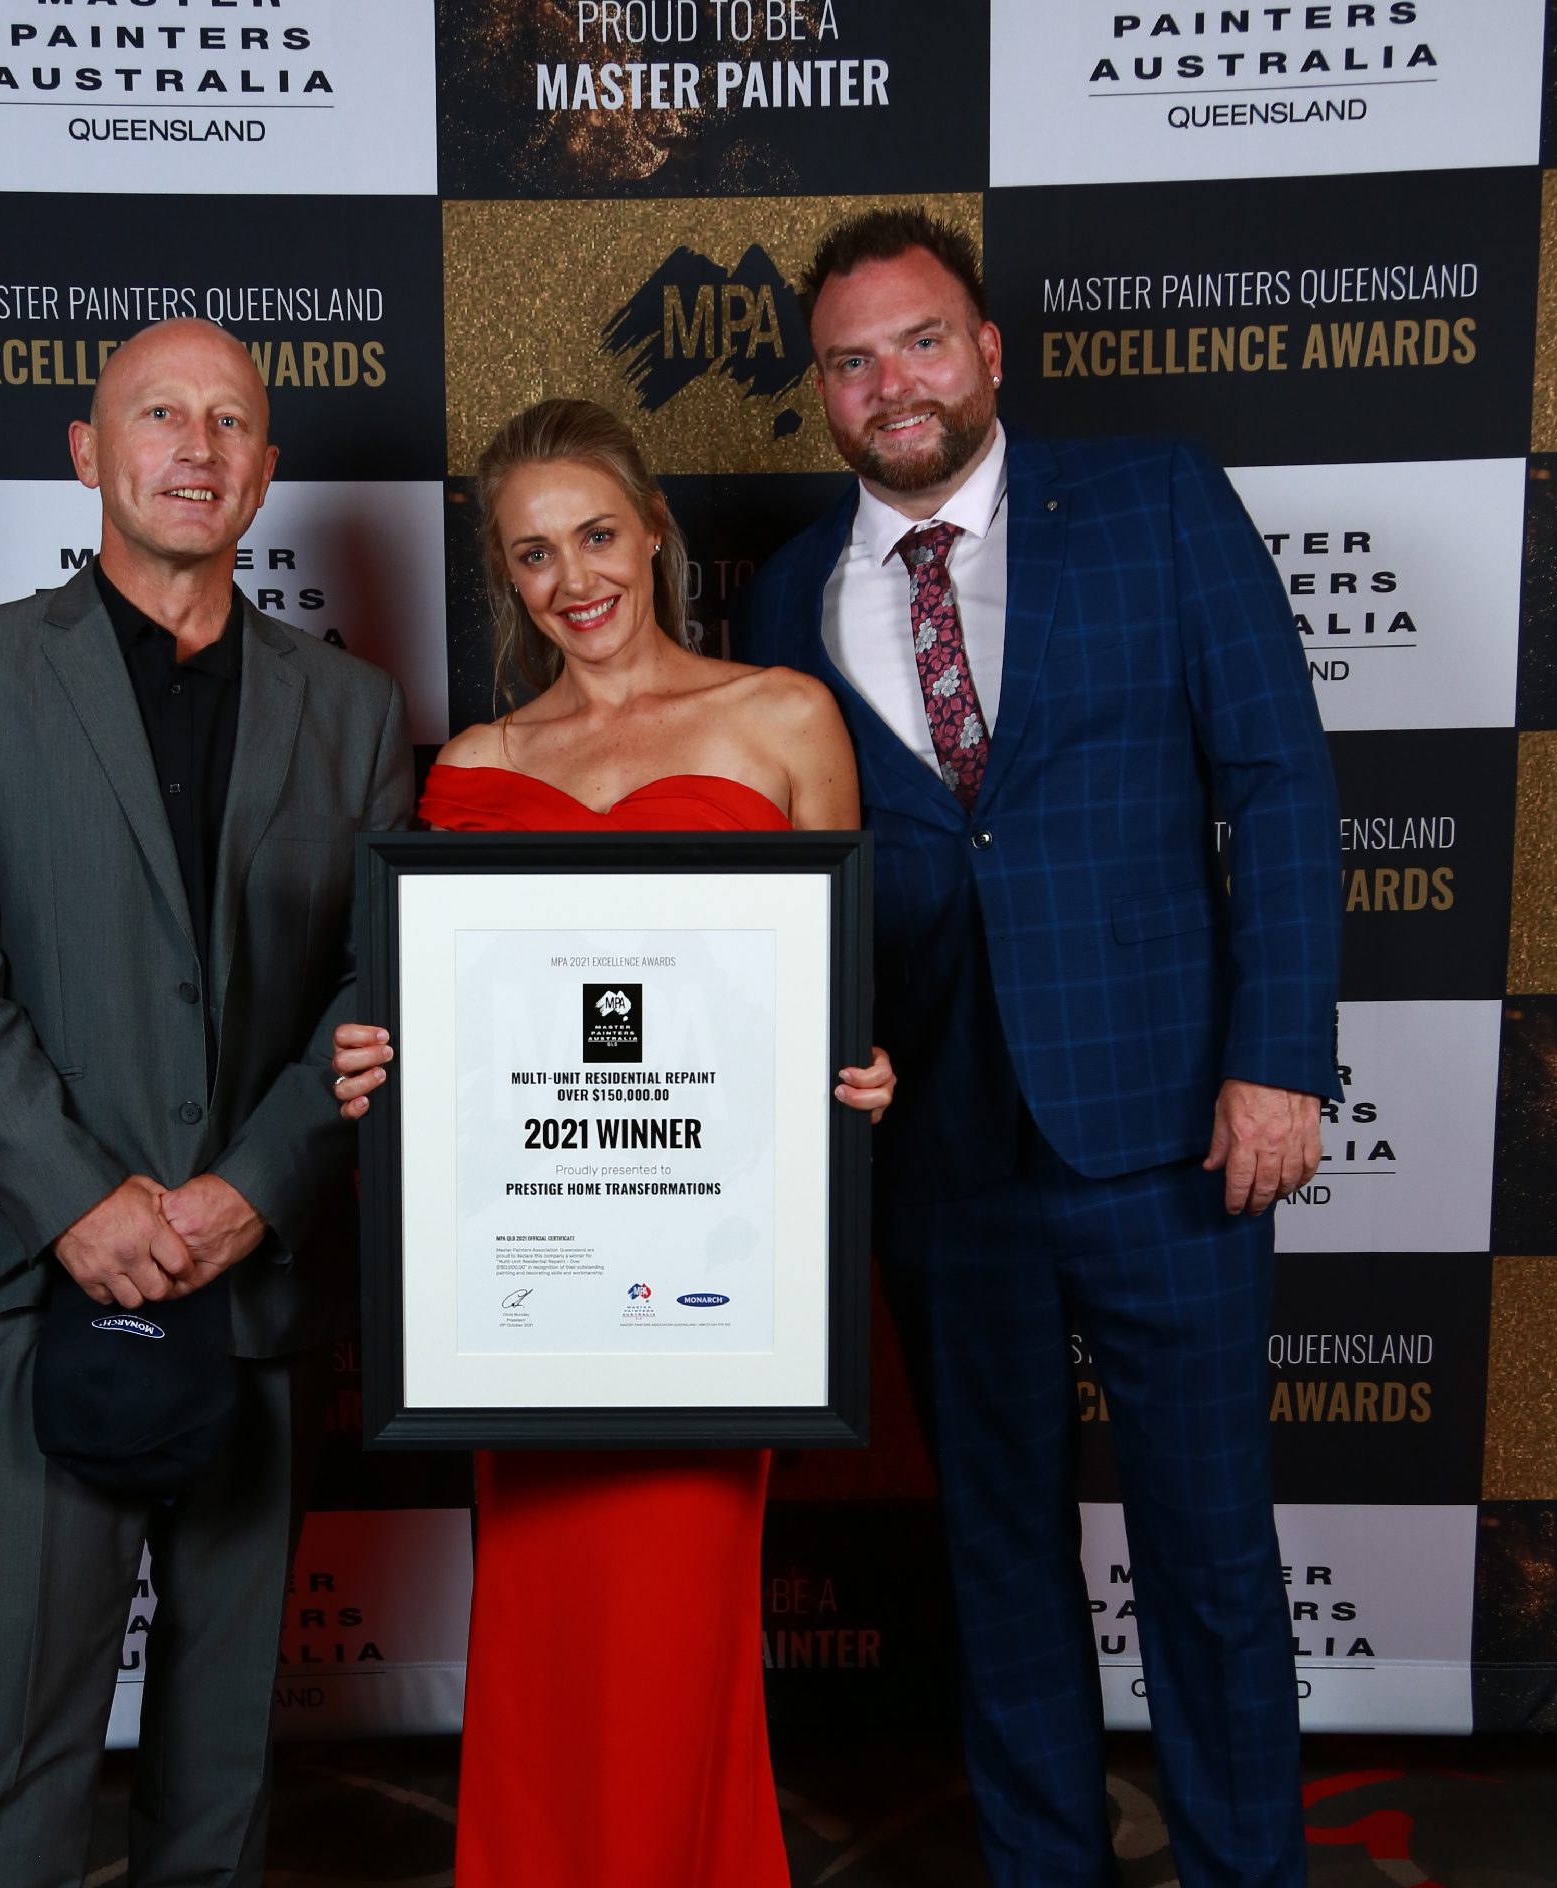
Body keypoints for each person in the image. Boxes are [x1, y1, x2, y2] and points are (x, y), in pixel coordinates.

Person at [730, 209, 1342, 1888]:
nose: (893, 385)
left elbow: (1280, 781)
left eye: (923, 341)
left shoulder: (1153, 501)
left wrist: (1280, 1058)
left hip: (1171, 1128)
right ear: (822, 393)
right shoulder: (787, 594)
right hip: (938, 1153)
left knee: (1209, 1556)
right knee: (998, 1561)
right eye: (852, 362)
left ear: (988, 351)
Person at [0, 317, 413, 1887]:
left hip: (259, 1283)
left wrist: (256, 1187)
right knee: (20, 1734)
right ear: (86, 453)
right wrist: (79, 1201)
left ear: (266, 469)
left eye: (229, 420)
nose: (195, 445)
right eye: (158, 413)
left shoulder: (352, 710)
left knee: (227, 1744)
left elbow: (377, 983)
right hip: (47, 1276)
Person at [330, 397, 894, 1888]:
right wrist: (383, 1063)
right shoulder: (471, 768)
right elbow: (463, 1038)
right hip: (530, 1294)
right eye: (532, 555)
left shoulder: (784, 719)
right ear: (505, 579)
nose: (571, 579)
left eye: (594, 535)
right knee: (542, 1632)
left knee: (674, 1633)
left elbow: (840, 994)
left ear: (652, 532)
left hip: (714, 1286)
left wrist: (864, 1072)